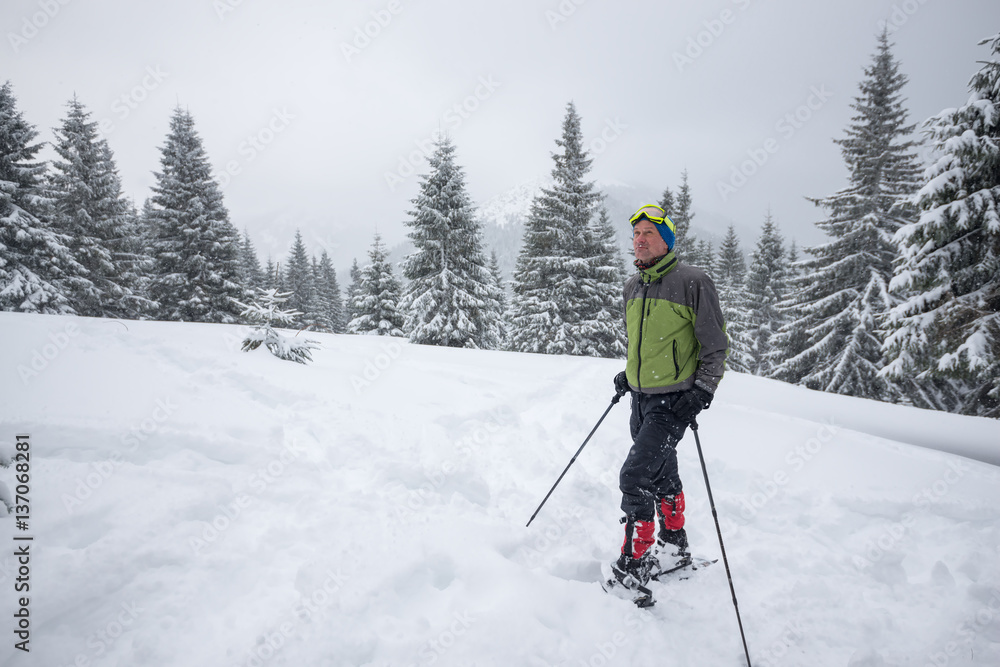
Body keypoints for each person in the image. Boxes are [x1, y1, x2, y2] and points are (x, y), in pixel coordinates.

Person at [609, 203, 728, 588]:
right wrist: (629, 375)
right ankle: (675, 545)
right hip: (640, 401)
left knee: (635, 475)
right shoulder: (632, 287)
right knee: (661, 473)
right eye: (636, 234)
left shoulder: (692, 281)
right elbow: (643, 345)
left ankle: (636, 563)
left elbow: (715, 346)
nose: (640, 240)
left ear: (667, 242)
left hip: (673, 403)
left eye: (649, 234)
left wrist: (703, 391)